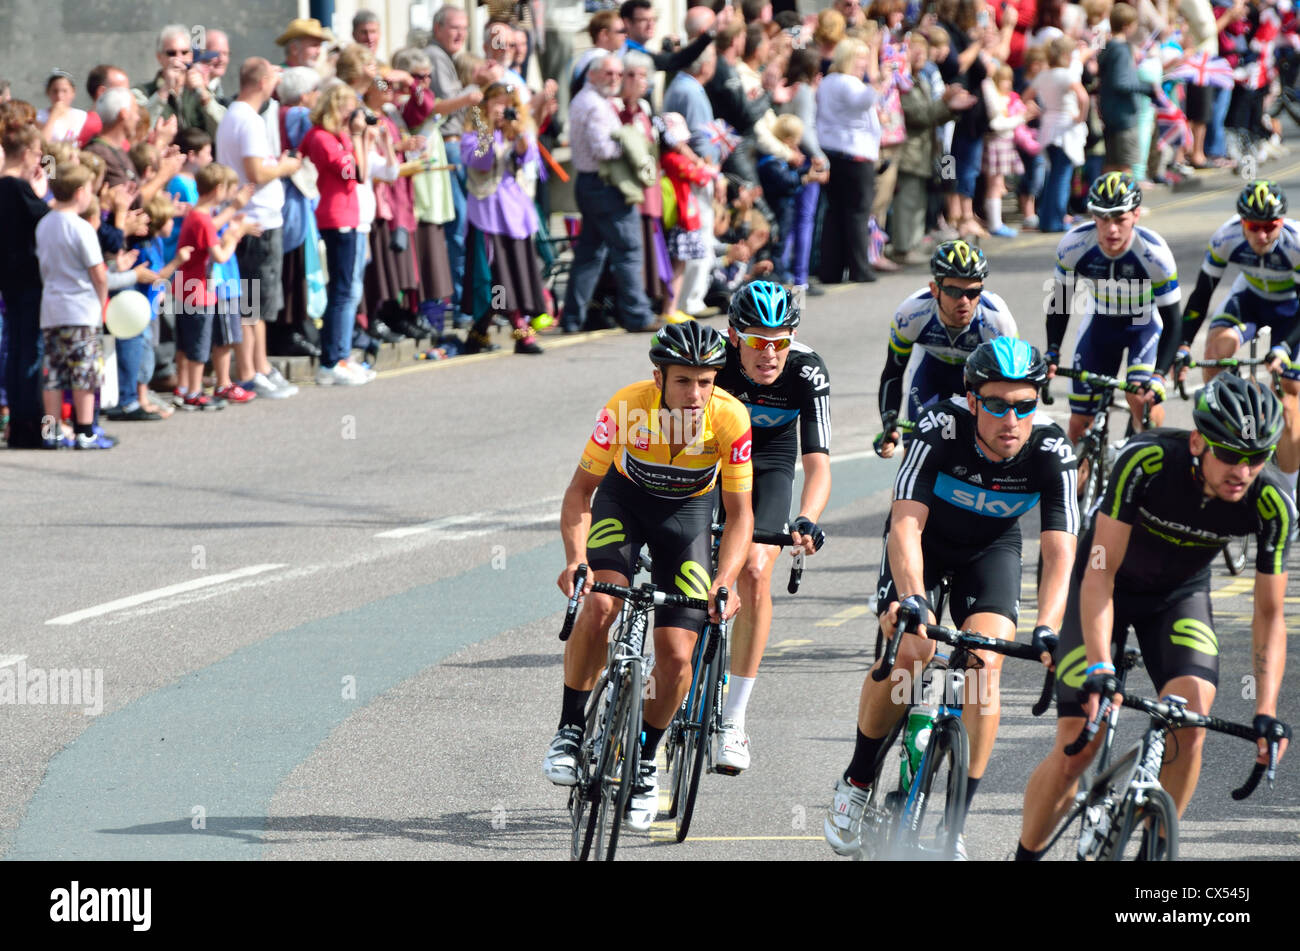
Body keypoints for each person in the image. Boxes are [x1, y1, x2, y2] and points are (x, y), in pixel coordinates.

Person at [1015, 374, 1293, 861]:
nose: (1243, 471)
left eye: (1258, 457)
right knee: (1078, 745)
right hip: (1106, 583)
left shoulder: (1271, 504)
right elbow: (1100, 573)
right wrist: (1100, 667)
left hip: (1178, 597)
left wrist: (1266, 711)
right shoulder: (1146, 461)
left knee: (1190, 722)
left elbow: (1269, 615)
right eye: (1229, 455)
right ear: (1196, 442)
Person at [826, 339, 1079, 859]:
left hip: (990, 551)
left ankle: (954, 825)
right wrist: (913, 599)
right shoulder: (940, 427)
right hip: (923, 546)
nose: (1012, 418)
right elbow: (904, 523)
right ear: (971, 399)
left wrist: (1049, 625)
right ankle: (856, 780)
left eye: (1025, 404)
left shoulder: (1052, 451)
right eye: (997, 404)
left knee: (985, 668)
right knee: (911, 654)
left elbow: (1059, 554)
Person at [545, 322, 752, 832]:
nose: (696, 394)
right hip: (626, 502)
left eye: (706, 381)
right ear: (658, 377)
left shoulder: (729, 418)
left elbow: (740, 515)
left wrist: (725, 579)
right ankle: (570, 728)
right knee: (599, 604)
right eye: (684, 381)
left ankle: (644, 762)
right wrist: (577, 560)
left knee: (679, 653)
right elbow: (580, 495)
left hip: (687, 517)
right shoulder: (625, 406)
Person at [712, 282, 831, 772]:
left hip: (771, 461)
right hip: (713, 461)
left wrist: (807, 518)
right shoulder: (712, 364)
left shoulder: (807, 369)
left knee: (757, 571)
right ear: (733, 336)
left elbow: (819, 463)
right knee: (697, 565)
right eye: (757, 341)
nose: (769, 353)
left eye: (779, 341)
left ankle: (734, 720)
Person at [1162, 181, 1300, 497]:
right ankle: (1231, 432)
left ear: (1281, 222)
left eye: (1270, 227)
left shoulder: (1295, 244)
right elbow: (1201, 295)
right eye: (1254, 226)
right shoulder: (1227, 237)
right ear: (1242, 223)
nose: (1262, 235)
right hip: (1249, 298)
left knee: (1289, 399)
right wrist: (1182, 346)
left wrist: (1283, 347)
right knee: (1216, 352)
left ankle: (1288, 498)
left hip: (1292, 309)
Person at [1044, 173, 1180, 443]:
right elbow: (1060, 304)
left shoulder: (1154, 254)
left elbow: (1174, 322)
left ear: (1136, 215)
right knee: (1079, 424)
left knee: (1142, 402)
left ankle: (1145, 453)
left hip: (1143, 324)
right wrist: (1052, 352)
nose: (1111, 229)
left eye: (1120, 219)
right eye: (1103, 218)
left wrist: (1160, 375)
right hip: (1100, 324)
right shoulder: (1074, 245)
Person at [876, 240, 1017, 455]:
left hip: (977, 378)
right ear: (935, 289)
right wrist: (889, 420)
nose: (964, 301)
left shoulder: (997, 320)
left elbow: (1009, 384)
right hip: (931, 370)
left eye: (972, 292)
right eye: (953, 291)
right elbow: (893, 373)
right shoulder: (911, 313)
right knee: (914, 453)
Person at [216, 58, 303, 400]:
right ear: (263, 81)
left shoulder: (234, 115)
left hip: (251, 219)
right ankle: (253, 371)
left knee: (255, 304)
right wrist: (287, 166)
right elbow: (255, 172)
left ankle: (259, 368)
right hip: (257, 221)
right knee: (256, 304)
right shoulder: (247, 119)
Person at [561, 55, 659, 334]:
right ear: (592, 75)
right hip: (605, 184)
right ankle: (638, 315)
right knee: (628, 249)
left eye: (618, 74)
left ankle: (571, 318)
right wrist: (632, 143)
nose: (615, 79)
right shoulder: (594, 104)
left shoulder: (588, 100)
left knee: (590, 253)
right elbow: (603, 149)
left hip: (592, 183)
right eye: (608, 74)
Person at [460, 82, 547, 354]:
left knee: (515, 273)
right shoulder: (473, 133)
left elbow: (528, 156)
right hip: (487, 214)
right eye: (496, 101)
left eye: (506, 102)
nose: (502, 107)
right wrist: (490, 132)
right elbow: (480, 161)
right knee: (496, 277)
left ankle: (479, 332)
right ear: (485, 104)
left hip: (515, 213)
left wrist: (518, 131)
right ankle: (520, 328)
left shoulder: (516, 127)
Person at [300, 82, 374, 386]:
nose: (353, 112)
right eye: (347, 106)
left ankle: (342, 355)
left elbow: (363, 172)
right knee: (343, 291)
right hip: (336, 218)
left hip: (352, 216)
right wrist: (357, 136)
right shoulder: (320, 138)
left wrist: (361, 137)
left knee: (351, 289)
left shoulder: (339, 136)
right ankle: (332, 360)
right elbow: (355, 173)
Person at [35, 163, 111, 450]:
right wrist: (101, 300)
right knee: (85, 373)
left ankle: (51, 431)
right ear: (80, 193)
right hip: (80, 308)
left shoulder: (44, 224)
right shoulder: (81, 227)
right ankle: (85, 431)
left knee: (53, 373)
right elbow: (98, 272)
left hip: (52, 307)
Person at [172, 163, 260, 409]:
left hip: (185, 289)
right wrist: (234, 236)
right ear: (219, 189)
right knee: (199, 346)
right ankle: (195, 392)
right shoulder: (203, 219)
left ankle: (186, 388)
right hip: (200, 293)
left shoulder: (196, 215)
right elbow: (220, 255)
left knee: (187, 344)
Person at [426, 5, 490, 328]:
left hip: (459, 149)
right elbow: (441, 107)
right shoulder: (435, 56)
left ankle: (469, 301)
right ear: (438, 28)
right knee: (460, 227)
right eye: (454, 28)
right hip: (447, 147)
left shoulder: (447, 58)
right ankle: (459, 302)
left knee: (467, 227)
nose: (460, 34)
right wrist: (472, 93)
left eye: (464, 29)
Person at [816, 38, 884, 284]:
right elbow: (864, 100)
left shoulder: (828, 81)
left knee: (836, 214)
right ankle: (859, 268)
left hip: (834, 152)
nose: (863, 64)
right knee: (857, 213)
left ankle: (831, 270)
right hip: (855, 155)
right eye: (860, 58)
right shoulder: (848, 83)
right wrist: (877, 79)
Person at [0, 121, 51, 449]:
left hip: (10, 279)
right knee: (30, 349)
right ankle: (27, 422)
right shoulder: (17, 188)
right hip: (27, 279)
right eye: (39, 153)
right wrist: (42, 192)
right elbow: (47, 218)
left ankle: (20, 422)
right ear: (30, 153)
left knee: (18, 348)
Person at [664, 45, 724, 319]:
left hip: (693, 176)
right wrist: (712, 173)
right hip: (695, 180)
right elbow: (700, 139)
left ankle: (688, 299)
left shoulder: (682, 86)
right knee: (699, 239)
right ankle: (691, 300)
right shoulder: (689, 89)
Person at [38, 69, 89, 144]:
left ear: (73, 92)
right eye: (55, 91)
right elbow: (41, 143)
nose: (59, 96)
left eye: (64, 91)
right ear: (48, 92)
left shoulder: (82, 116)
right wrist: (53, 116)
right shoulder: (39, 116)